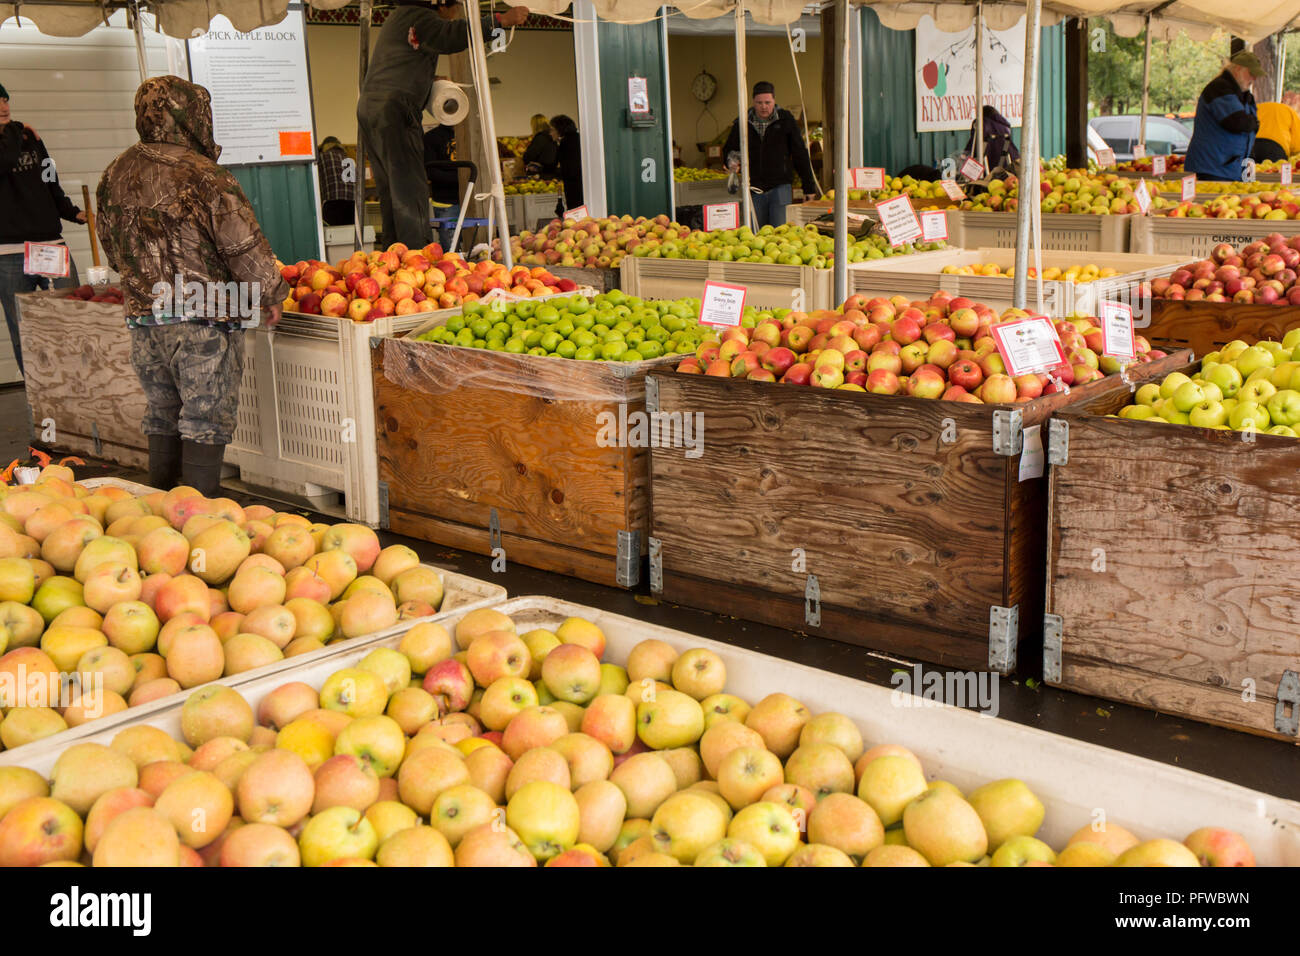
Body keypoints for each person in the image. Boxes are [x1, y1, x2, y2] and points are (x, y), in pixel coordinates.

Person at [97, 75, 287, 496]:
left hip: (144, 316)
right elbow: (244, 247)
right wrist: (271, 294)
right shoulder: (207, 176)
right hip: (206, 318)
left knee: (162, 411)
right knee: (205, 416)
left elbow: (112, 249)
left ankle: (157, 503)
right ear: (194, 116)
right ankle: (195, 516)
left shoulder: (115, 171)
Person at [358, 0, 529, 249]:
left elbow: (406, 60)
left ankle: (393, 252)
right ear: (442, 4)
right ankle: (415, 255)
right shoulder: (422, 17)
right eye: (457, 6)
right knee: (409, 188)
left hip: (371, 109)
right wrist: (500, 22)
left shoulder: (399, 16)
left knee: (390, 190)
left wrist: (427, 80)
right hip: (395, 109)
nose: (457, 12)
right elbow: (452, 35)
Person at [1, 80, 86, 376]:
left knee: (70, 317)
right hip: (8, 253)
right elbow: (5, 160)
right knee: (24, 330)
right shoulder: (18, 135)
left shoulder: (31, 139)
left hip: (49, 245)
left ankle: (77, 382)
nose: (3, 106)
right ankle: (38, 393)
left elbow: (50, 178)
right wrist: (15, 130)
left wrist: (72, 212)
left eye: (5, 99)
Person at [723, 81, 817, 228]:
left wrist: (809, 187)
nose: (764, 106)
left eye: (767, 102)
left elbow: (800, 154)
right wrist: (731, 162)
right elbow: (730, 148)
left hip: (780, 188)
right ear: (753, 102)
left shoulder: (786, 120)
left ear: (774, 100)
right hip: (754, 188)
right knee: (755, 235)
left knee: (780, 233)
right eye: (759, 103)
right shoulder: (742, 122)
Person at [1185, 51, 1263, 181]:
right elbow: (1237, 122)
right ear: (1238, 69)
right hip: (1214, 168)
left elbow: (1249, 129)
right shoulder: (1219, 88)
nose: (1254, 79)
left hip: (1233, 168)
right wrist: (1253, 123)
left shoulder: (1244, 94)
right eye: (1251, 74)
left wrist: (1249, 172)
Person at [963, 105, 1019, 176]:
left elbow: (972, 148)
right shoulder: (1005, 126)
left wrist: (964, 156)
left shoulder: (981, 124)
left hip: (989, 166)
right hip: (1010, 164)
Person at [318, 136, 355, 226]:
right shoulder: (350, 159)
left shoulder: (323, 157)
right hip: (353, 202)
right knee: (350, 234)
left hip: (333, 201)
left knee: (335, 235)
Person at [1252, 92, 1300, 163]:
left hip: (1251, 146)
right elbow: (1297, 145)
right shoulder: (1290, 112)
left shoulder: (1260, 106)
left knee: (1249, 173)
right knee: (1273, 172)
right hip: (1275, 149)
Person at [551, 114, 582, 215]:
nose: (550, 133)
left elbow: (569, 168)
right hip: (580, 185)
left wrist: (556, 174)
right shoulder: (577, 139)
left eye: (552, 130)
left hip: (574, 187)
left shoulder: (566, 144)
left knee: (575, 213)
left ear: (560, 129)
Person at [521, 112, 558, 177]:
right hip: (553, 172)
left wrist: (524, 155)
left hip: (541, 174)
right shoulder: (552, 137)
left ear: (535, 126)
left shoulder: (540, 138)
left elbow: (529, 156)